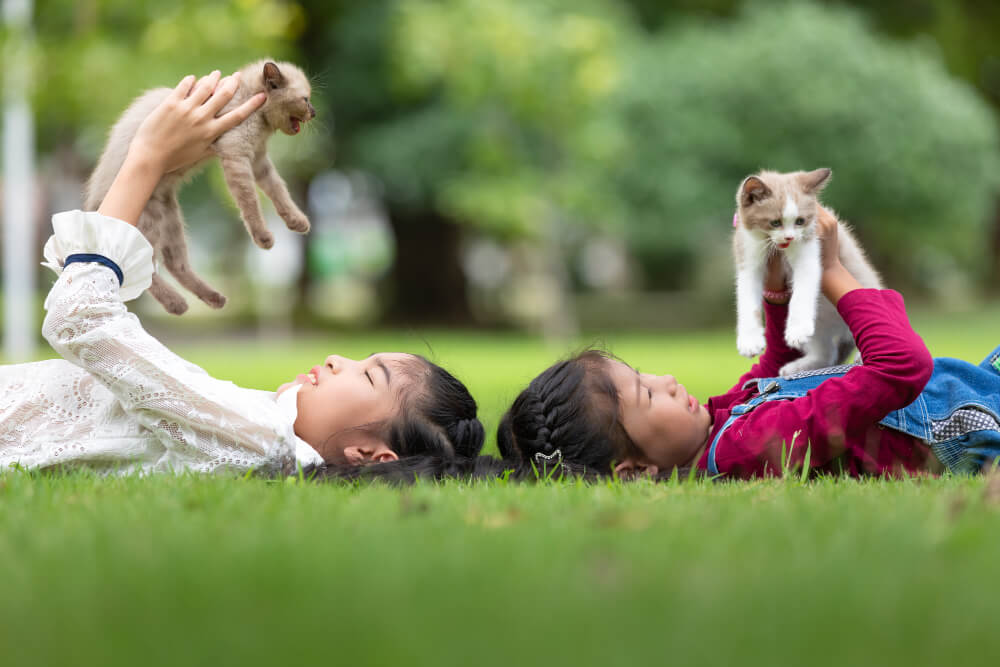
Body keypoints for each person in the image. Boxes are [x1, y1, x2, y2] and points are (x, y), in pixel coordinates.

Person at [0, 71, 484, 476]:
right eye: (362, 359)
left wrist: (147, 156)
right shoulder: (257, 428)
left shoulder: (261, 438)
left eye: (369, 376)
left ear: (370, 457)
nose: (337, 359)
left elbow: (82, 319)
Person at [497, 207, 1000, 480]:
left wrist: (777, 292)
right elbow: (899, 368)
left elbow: (782, 366)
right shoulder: (748, 448)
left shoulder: (723, 424)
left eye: (645, 374)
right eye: (646, 395)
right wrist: (832, 272)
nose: (667, 382)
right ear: (636, 471)